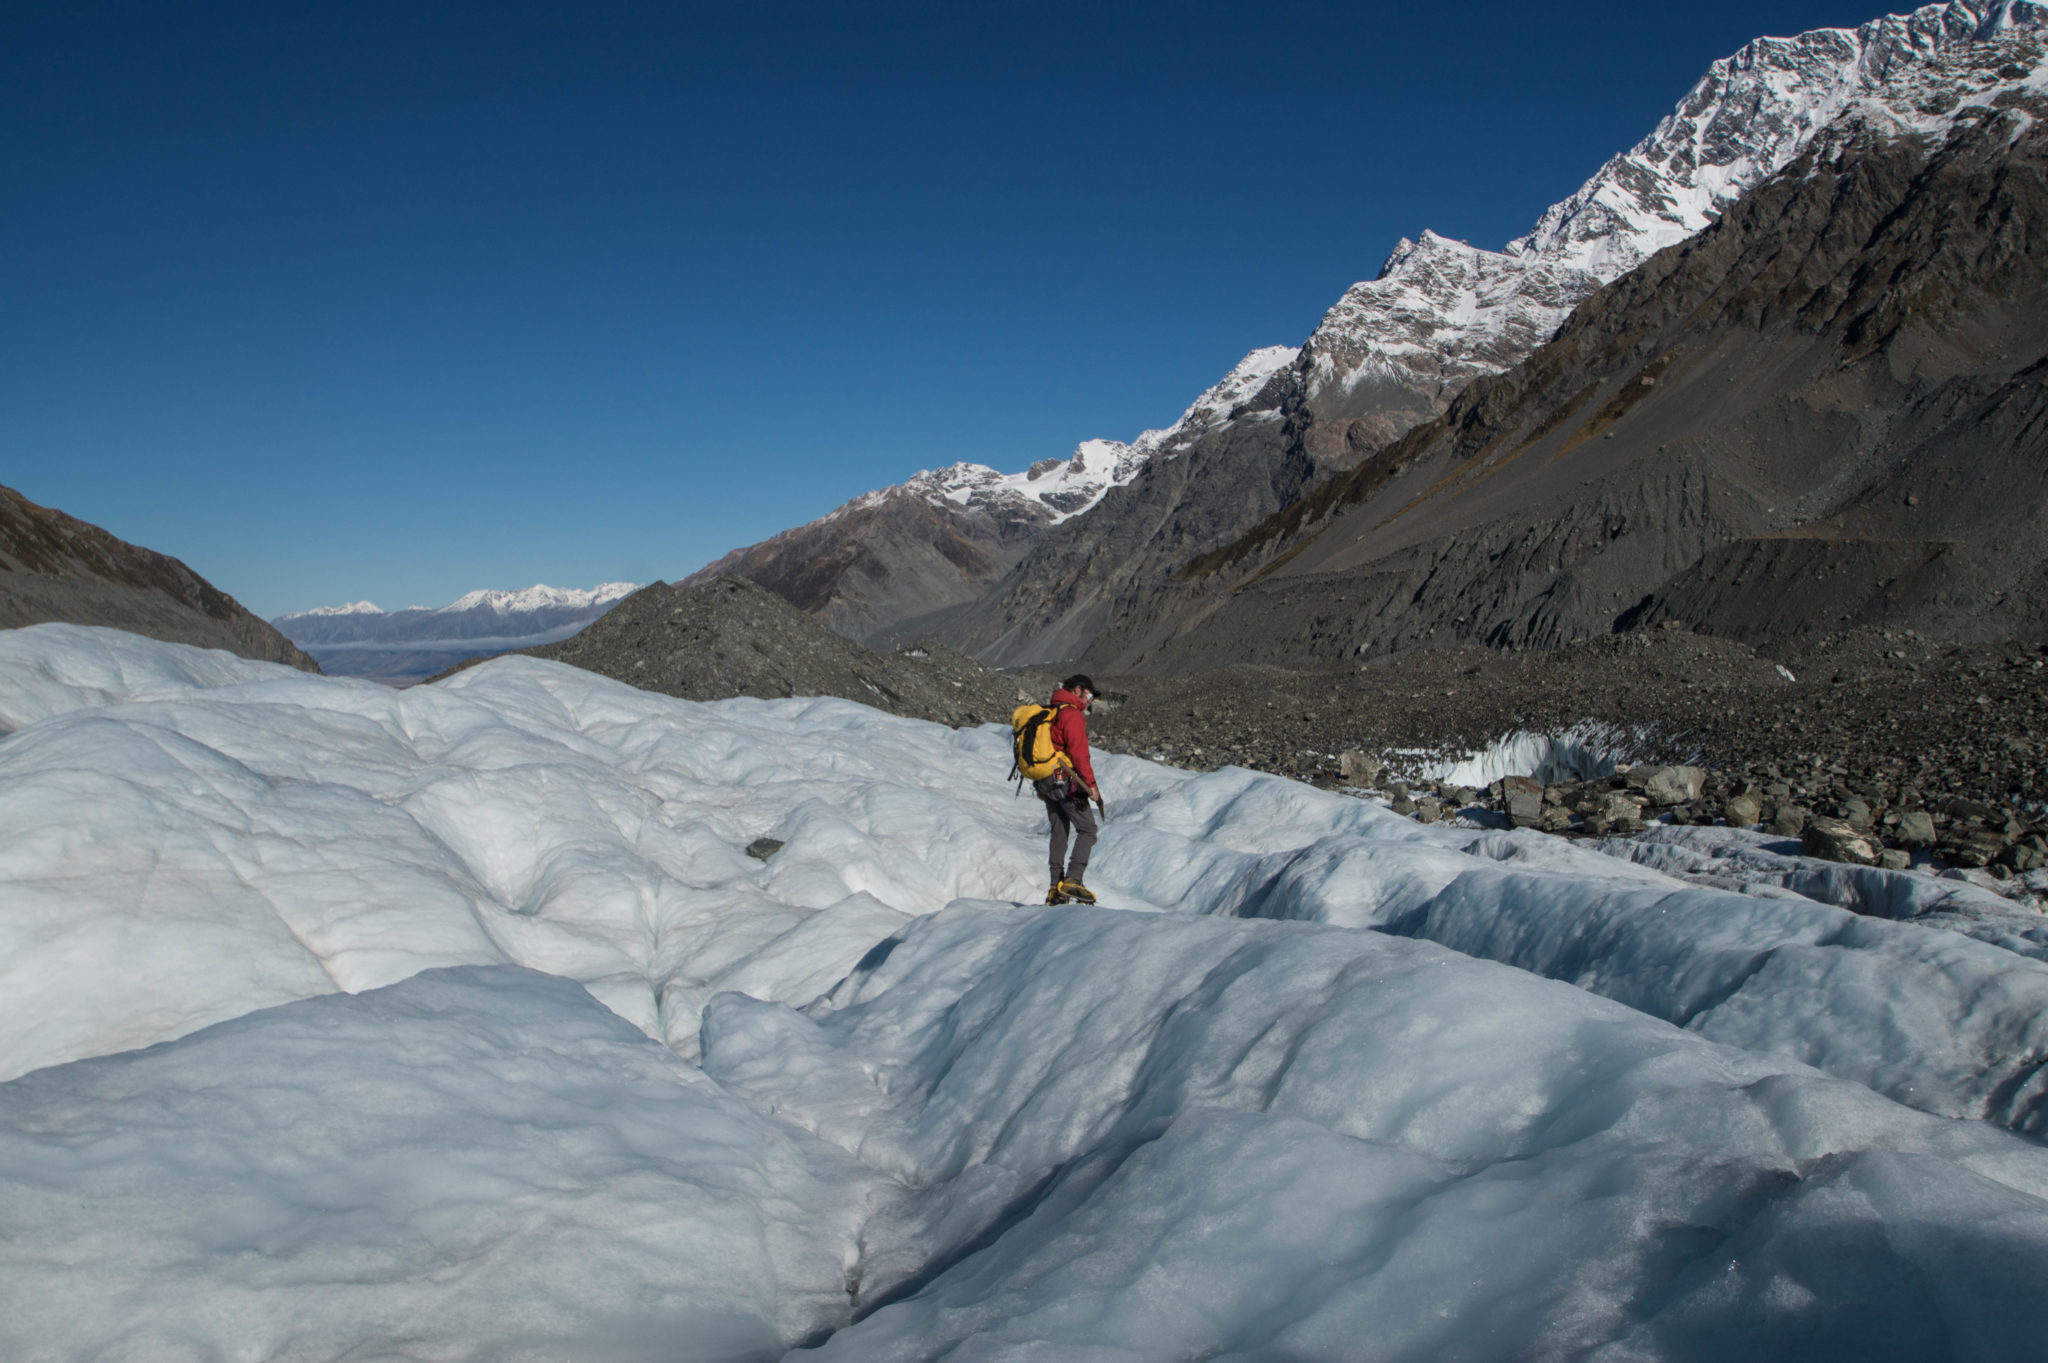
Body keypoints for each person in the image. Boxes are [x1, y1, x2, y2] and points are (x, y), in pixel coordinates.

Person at [1037, 674, 1104, 904]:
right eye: (1090, 695)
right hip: (1065, 778)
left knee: (1059, 831)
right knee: (1087, 829)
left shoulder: (1050, 711)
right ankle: (1073, 880)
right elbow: (1078, 753)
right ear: (1078, 690)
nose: (1090, 700)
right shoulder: (1071, 714)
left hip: (1046, 780)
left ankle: (1055, 887)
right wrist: (1091, 786)